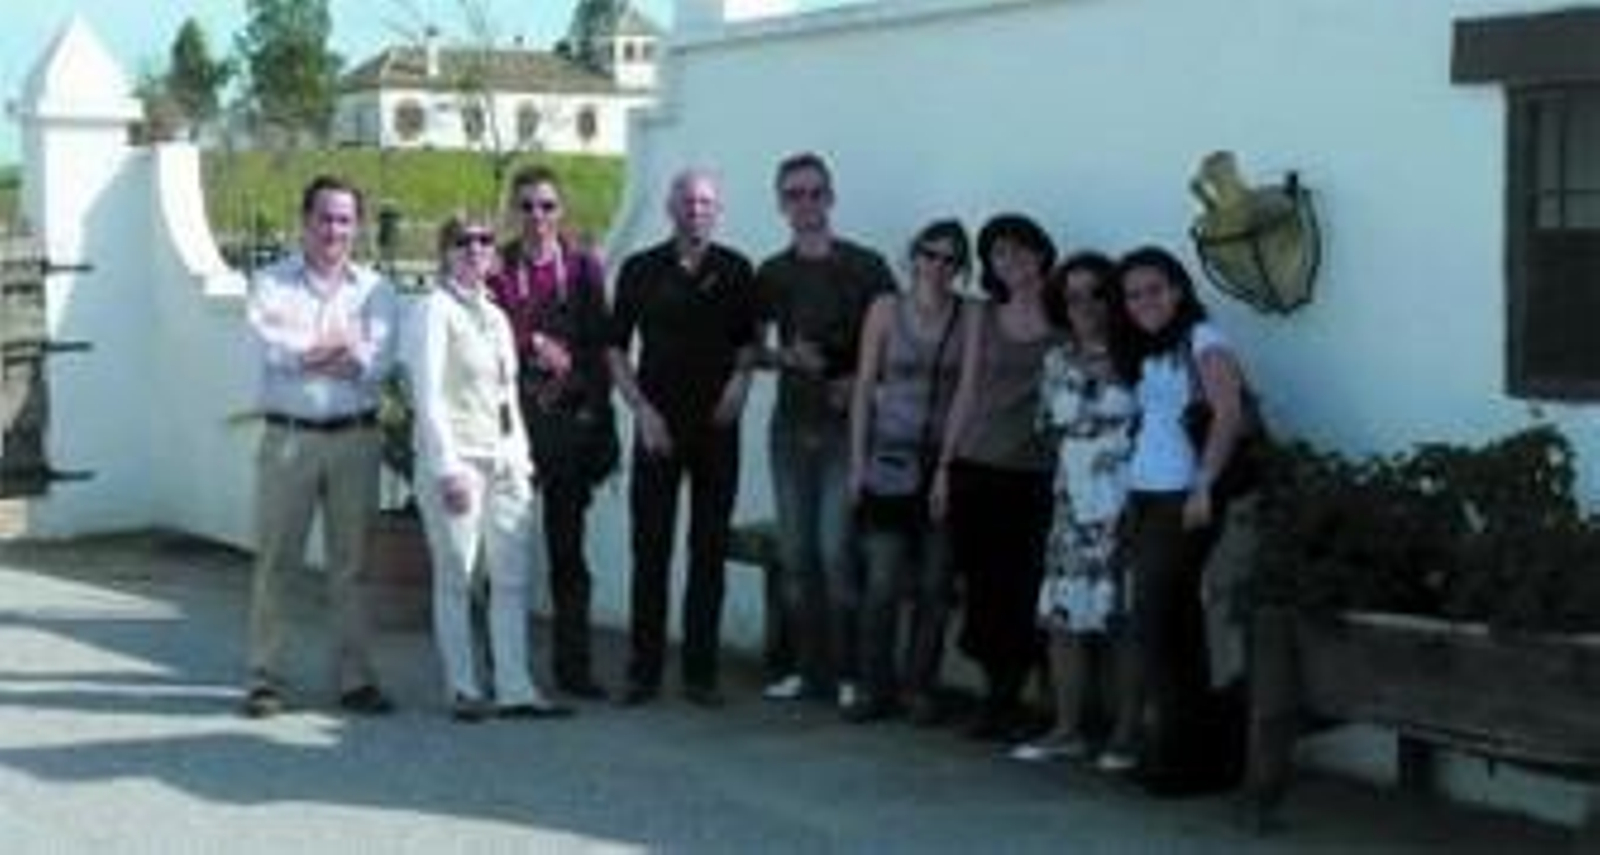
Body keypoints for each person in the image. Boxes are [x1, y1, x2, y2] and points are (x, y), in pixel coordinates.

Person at [241, 175, 398, 718]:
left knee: (350, 567)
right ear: (304, 221)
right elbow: (272, 349)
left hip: (356, 438)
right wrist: (332, 350)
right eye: (325, 218)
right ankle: (265, 678)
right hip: (290, 439)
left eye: (345, 219)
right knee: (276, 561)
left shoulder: (377, 290)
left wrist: (309, 351)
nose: (335, 229)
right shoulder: (270, 282)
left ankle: (355, 679)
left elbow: (373, 365)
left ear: (357, 226)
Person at [409, 214, 571, 722]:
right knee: (457, 574)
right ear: (445, 251)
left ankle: (515, 687)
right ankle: (462, 687)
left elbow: (507, 397)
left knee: (511, 579)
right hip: (459, 461)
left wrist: (520, 460)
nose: (476, 249)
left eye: (483, 241)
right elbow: (428, 395)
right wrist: (446, 467)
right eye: (463, 242)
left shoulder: (497, 317)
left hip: (504, 461)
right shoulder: (433, 311)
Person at [608, 169, 759, 707]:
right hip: (657, 426)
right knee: (650, 549)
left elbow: (749, 345)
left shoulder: (738, 270)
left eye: (706, 202)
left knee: (709, 550)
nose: (697, 210)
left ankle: (700, 673)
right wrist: (640, 410)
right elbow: (615, 350)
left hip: (718, 428)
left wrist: (740, 386)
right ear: (671, 207)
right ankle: (643, 671)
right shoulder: (641, 269)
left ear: (718, 211)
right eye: (688, 201)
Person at [1107, 245, 1252, 794]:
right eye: (1134, 294)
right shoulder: (1150, 348)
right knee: (1172, 628)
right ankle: (1189, 753)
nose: (1144, 301)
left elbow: (1229, 413)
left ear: (1178, 289)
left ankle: (1184, 754)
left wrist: (1204, 484)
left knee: (1157, 622)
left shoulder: (1203, 339)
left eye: (1154, 289)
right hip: (1147, 494)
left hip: (1181, 499)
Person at [755, 152, 896, 711]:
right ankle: (806, 671)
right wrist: (784, 355)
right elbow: (749, 349)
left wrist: (860, 380)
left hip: (848, 430)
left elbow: (895, 342)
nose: (806, 204)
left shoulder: (866, 266)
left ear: (830, 198)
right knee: (796, 556)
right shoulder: (772, 273)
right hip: (790, 428)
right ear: (781, 204)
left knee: (837, 553)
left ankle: (848, 673)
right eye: (794, 195)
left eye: (815, 193)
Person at [489, 165, 617, 700]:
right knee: (504, 554)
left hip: (567, 429)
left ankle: (574, 667)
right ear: (514, 213)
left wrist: (577, 377)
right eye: (527, 207)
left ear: (561, 212)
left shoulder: (584, 268)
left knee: (569, 553)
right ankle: (505, 666)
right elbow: (485, 338)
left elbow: (602, 345)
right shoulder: (498, 269)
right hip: (513, 428)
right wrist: (532, 347)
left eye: (547, 206)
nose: (537, 217)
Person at [1010, 252, 1141, 771]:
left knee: (1122, 617)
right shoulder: (1056, 360)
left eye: (1095, 293)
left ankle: (1126, 733)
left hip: (1127, 503)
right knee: (1064, 616)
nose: (1084, 305)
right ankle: (1066, 728)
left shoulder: (1138, 357)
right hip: (1072, 504)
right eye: (1072, 296)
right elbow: (1048, 427)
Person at [932, 213, 1060, 740]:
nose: (1011, 262)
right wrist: (944, 466)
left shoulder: (1064, 320)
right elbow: (965, 391)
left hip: (1037, 474)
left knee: (1028, 587)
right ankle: (996, 697)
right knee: (983, 588)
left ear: (1040, 253)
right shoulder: (982, 318)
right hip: (979, 465)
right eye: (999, 254)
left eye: (1020, 250)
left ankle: (1036, 698)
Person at [846, 218, 969, 724]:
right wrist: (856, 460)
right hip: (888, 460)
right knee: (882, 583)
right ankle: (875, 686)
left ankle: (920, 686)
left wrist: (947, 466)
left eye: (949, 259)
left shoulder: (969, 317)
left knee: (936, 586)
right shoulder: (885, 309)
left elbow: (966, 395)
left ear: (960, 268)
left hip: (942, 460)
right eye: (930, 254)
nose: (937, 266)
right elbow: (863, 386)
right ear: (913, 255)